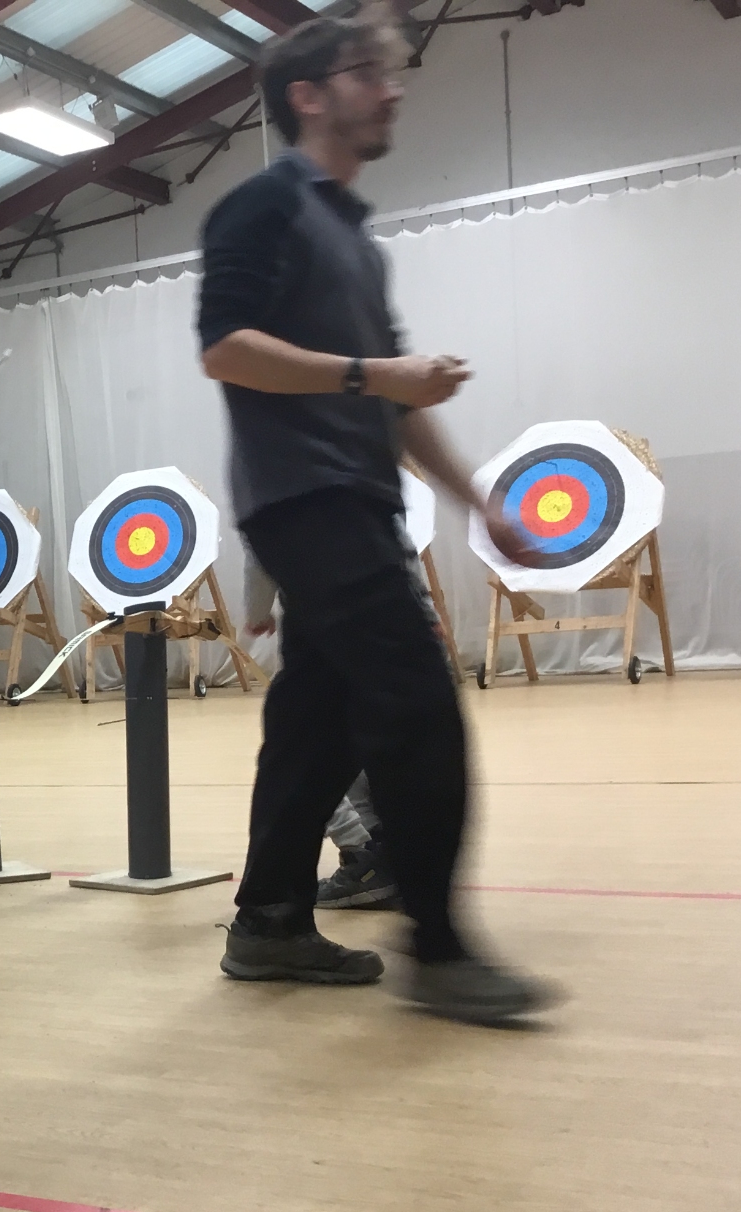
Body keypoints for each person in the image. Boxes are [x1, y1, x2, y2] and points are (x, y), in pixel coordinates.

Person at [198, 6, 550, 1021]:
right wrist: (371, 373)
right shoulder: (261, 205)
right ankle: (438, 950)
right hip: (303, 501)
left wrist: (479, 502)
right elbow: (225, 348)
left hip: (349, 498)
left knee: (317, 724)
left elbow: (396, 395)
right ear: (307, 96)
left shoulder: (353, 237)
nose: (392, 90)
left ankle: (269, 923)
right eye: (369, 73)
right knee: (415, 703)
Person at [241, 549, 399, 911]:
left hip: (320, 636)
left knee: (304, 754)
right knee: (360, 744)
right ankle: (389, 853)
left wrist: (257, 611)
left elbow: (261, 548)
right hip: (386, 629)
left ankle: (363, 853)